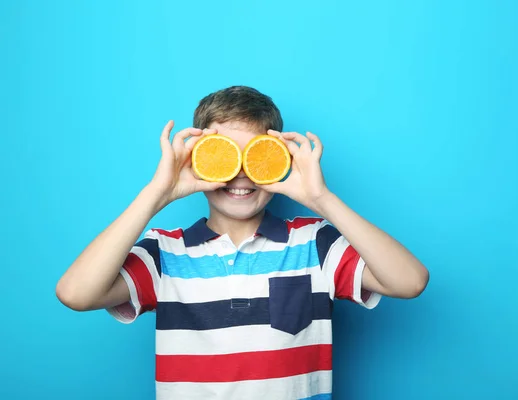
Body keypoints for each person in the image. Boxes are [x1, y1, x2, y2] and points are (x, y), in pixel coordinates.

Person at [56, 85, 429, 400]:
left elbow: (409, 281)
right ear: (197, 161)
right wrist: (156, 194)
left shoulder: (315, 244)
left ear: (279, 159)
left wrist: (321, 199)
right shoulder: (164, 253)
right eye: (222, 156)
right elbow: (76, 293)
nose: (240, 176)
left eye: (256, 158)